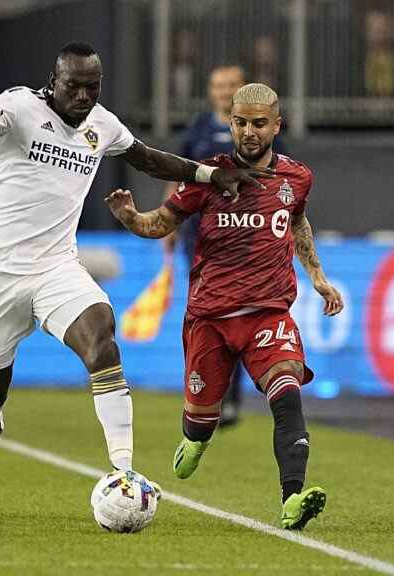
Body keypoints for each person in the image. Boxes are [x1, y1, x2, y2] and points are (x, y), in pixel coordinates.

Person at [0, 41, 266, 488]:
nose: (85, 97)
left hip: (57, 268)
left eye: (93, 87)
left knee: (102, 338)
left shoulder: (102, 125)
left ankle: (124, 471)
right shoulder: (17, 106)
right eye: (75, 86)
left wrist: (210, 175)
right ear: (54, 82)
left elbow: (148, 159)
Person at [105, 83, 344, 530]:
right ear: (230, 122)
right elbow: (161, 224)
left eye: (258, 123)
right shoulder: (205, 175)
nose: (248, 132)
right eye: (240, 123)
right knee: (201, 420)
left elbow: (297, 222)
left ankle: (293, 498)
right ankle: (195, 438)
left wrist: (318, 278)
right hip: (209, 321)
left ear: (277, 125)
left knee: (287, 393)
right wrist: (131, 219)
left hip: (269, 314)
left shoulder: (297, 178)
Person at [163, 64, 286, 427]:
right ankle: (207, 396)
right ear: (210, 91)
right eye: (217, 85)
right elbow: (179, 175)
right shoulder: (199, 129)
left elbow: (284, 182)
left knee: (243, 320)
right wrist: (169, 221)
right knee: (205, 319)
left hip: (250, 243)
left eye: (230, 85)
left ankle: (230, 400)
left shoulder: (259, 131)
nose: (223, 91)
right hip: (202, 241)